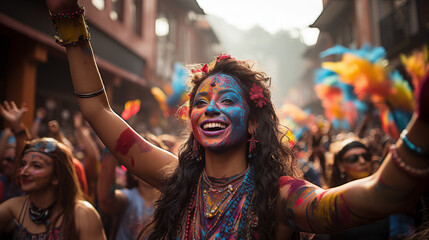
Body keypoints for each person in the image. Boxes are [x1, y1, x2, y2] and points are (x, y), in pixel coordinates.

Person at [45, 0, 429, 239]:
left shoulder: (279, 196)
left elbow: (376, 197)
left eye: (227, 100)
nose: (210, 108)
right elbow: (97, 110)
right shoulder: (179, 178)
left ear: (251, 122)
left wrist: (423, 124)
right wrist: (67, 16)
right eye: (201, 101)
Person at [0, 138, 106, 239]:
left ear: (56, 177)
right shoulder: (15, 207)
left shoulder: (82, 214)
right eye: (23, 164)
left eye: (36, 166)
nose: (24, 172)